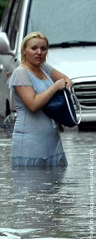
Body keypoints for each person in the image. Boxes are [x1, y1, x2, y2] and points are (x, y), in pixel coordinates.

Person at [8, 32, 73, 167]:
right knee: (32, 184)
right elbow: (33, 104)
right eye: (34, 48)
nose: (39, 52)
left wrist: (59, 103)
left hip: (52, 139)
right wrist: (55, 88)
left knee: (56, 184)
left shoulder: (45, 68)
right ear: (24, 50)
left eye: (43, 49)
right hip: (30, 142)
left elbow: (67, 81)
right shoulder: (20, 73)